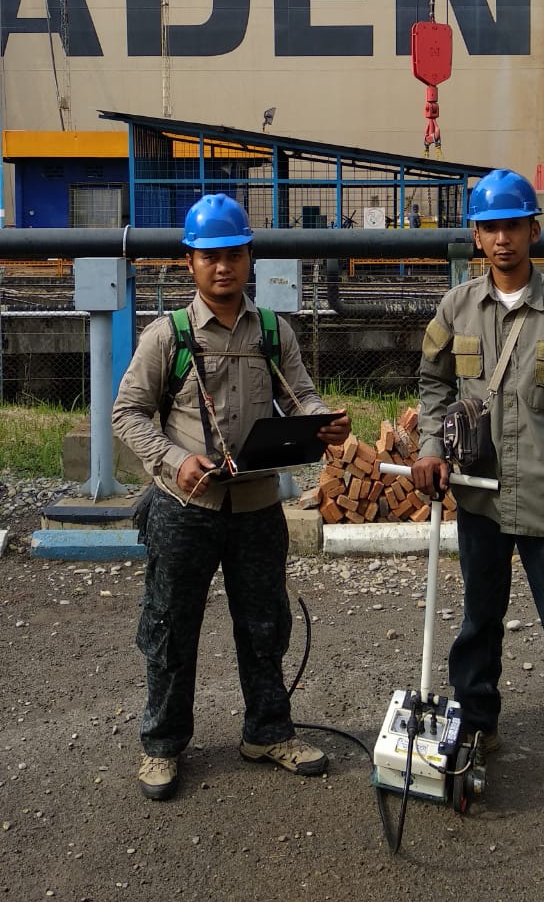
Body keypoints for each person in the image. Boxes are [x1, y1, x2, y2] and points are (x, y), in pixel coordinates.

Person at [112, 193, 351, 801]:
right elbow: (128, 412)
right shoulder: (168, 336)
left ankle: (267, 732)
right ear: (190, 261)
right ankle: (162, 744)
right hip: (184, 509)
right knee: (170, 627)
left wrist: (323, 420)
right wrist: (175, 460)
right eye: (210, 256)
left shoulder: (273, 331)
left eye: (234, 255)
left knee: (265, 623)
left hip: (256, 507)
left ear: (249, 258)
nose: (223, 267)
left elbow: (300, 395)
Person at [411, 169, 544, 823]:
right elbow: (433, 384)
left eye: (514, 225)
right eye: (491, 227)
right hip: (480, 501)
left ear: (534, 231)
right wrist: (430, 449)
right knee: (478, 624)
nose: (503, 238)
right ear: (477, 236)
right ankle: (476, 727)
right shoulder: (455, 308)